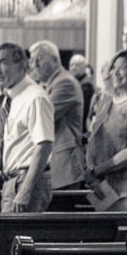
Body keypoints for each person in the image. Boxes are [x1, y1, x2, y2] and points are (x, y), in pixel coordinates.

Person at [85, 48, 127, 211]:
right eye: (113, 68)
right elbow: (94, 136)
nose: (115, 73)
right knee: (106, 233)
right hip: (102, 185)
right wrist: (91, 172)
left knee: (122, 232)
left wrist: (97, 170)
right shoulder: (107, 99)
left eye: (123, 68)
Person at [0, 42, 54, 212]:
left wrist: (26, 190)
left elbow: (44, 145)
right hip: (12, 180)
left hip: (28, 181)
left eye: (3, 63)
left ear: (21, 66)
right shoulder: (10, 97)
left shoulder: (35, 97)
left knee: (20, 237)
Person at [28, 40, 84, 189]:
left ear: (55, 59)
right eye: (32, 60)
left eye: (39, 59)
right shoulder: (48, 84)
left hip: (63, 166)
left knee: (60, 209)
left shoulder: (65, 82)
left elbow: (39, 118)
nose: (34, 65)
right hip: (53, 164)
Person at [69, 53, 96, 126]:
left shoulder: (86, 86)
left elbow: (84, 111)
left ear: (84, 67)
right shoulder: (74, 82)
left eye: (77, 65)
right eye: (71, 65)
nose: (73, 67)